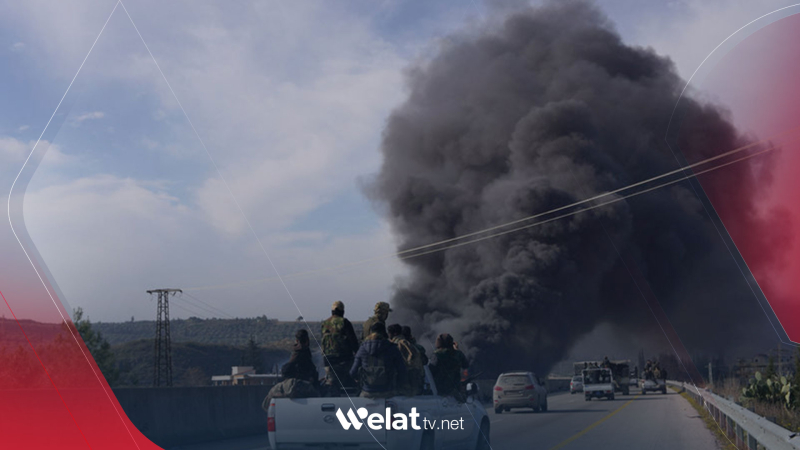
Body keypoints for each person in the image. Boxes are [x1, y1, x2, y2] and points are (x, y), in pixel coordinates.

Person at [263, 329, 319, 411]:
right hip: (297, 384)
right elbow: (286, 370)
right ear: (307, 341)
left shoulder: (299, 352)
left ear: (296, 340)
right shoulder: (299, 353)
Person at [350, 322, 406, 398]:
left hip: (368, 392)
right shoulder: (392, 348)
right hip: (387, 392)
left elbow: (352, 372)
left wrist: (359, 380)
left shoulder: (362, 348)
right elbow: (402, 371)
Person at [321, 301, 359, 390]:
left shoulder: (325, 323)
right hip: (345, 360)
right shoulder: (344, 322)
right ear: (342, 311)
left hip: (328, 361)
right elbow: (353, 342)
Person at [429, 333, 469, 401]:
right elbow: (465, 365)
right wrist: (456, 350)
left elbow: (430, 371)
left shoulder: (437, 354)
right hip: (455, 390)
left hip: (440, 390)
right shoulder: (458, 354)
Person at [388, 324, 424, 395]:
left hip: (402, 384)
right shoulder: (409, 344)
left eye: (389, 333)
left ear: (394, 333)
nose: (388, 335)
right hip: (415, 384)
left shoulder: (397, 344)